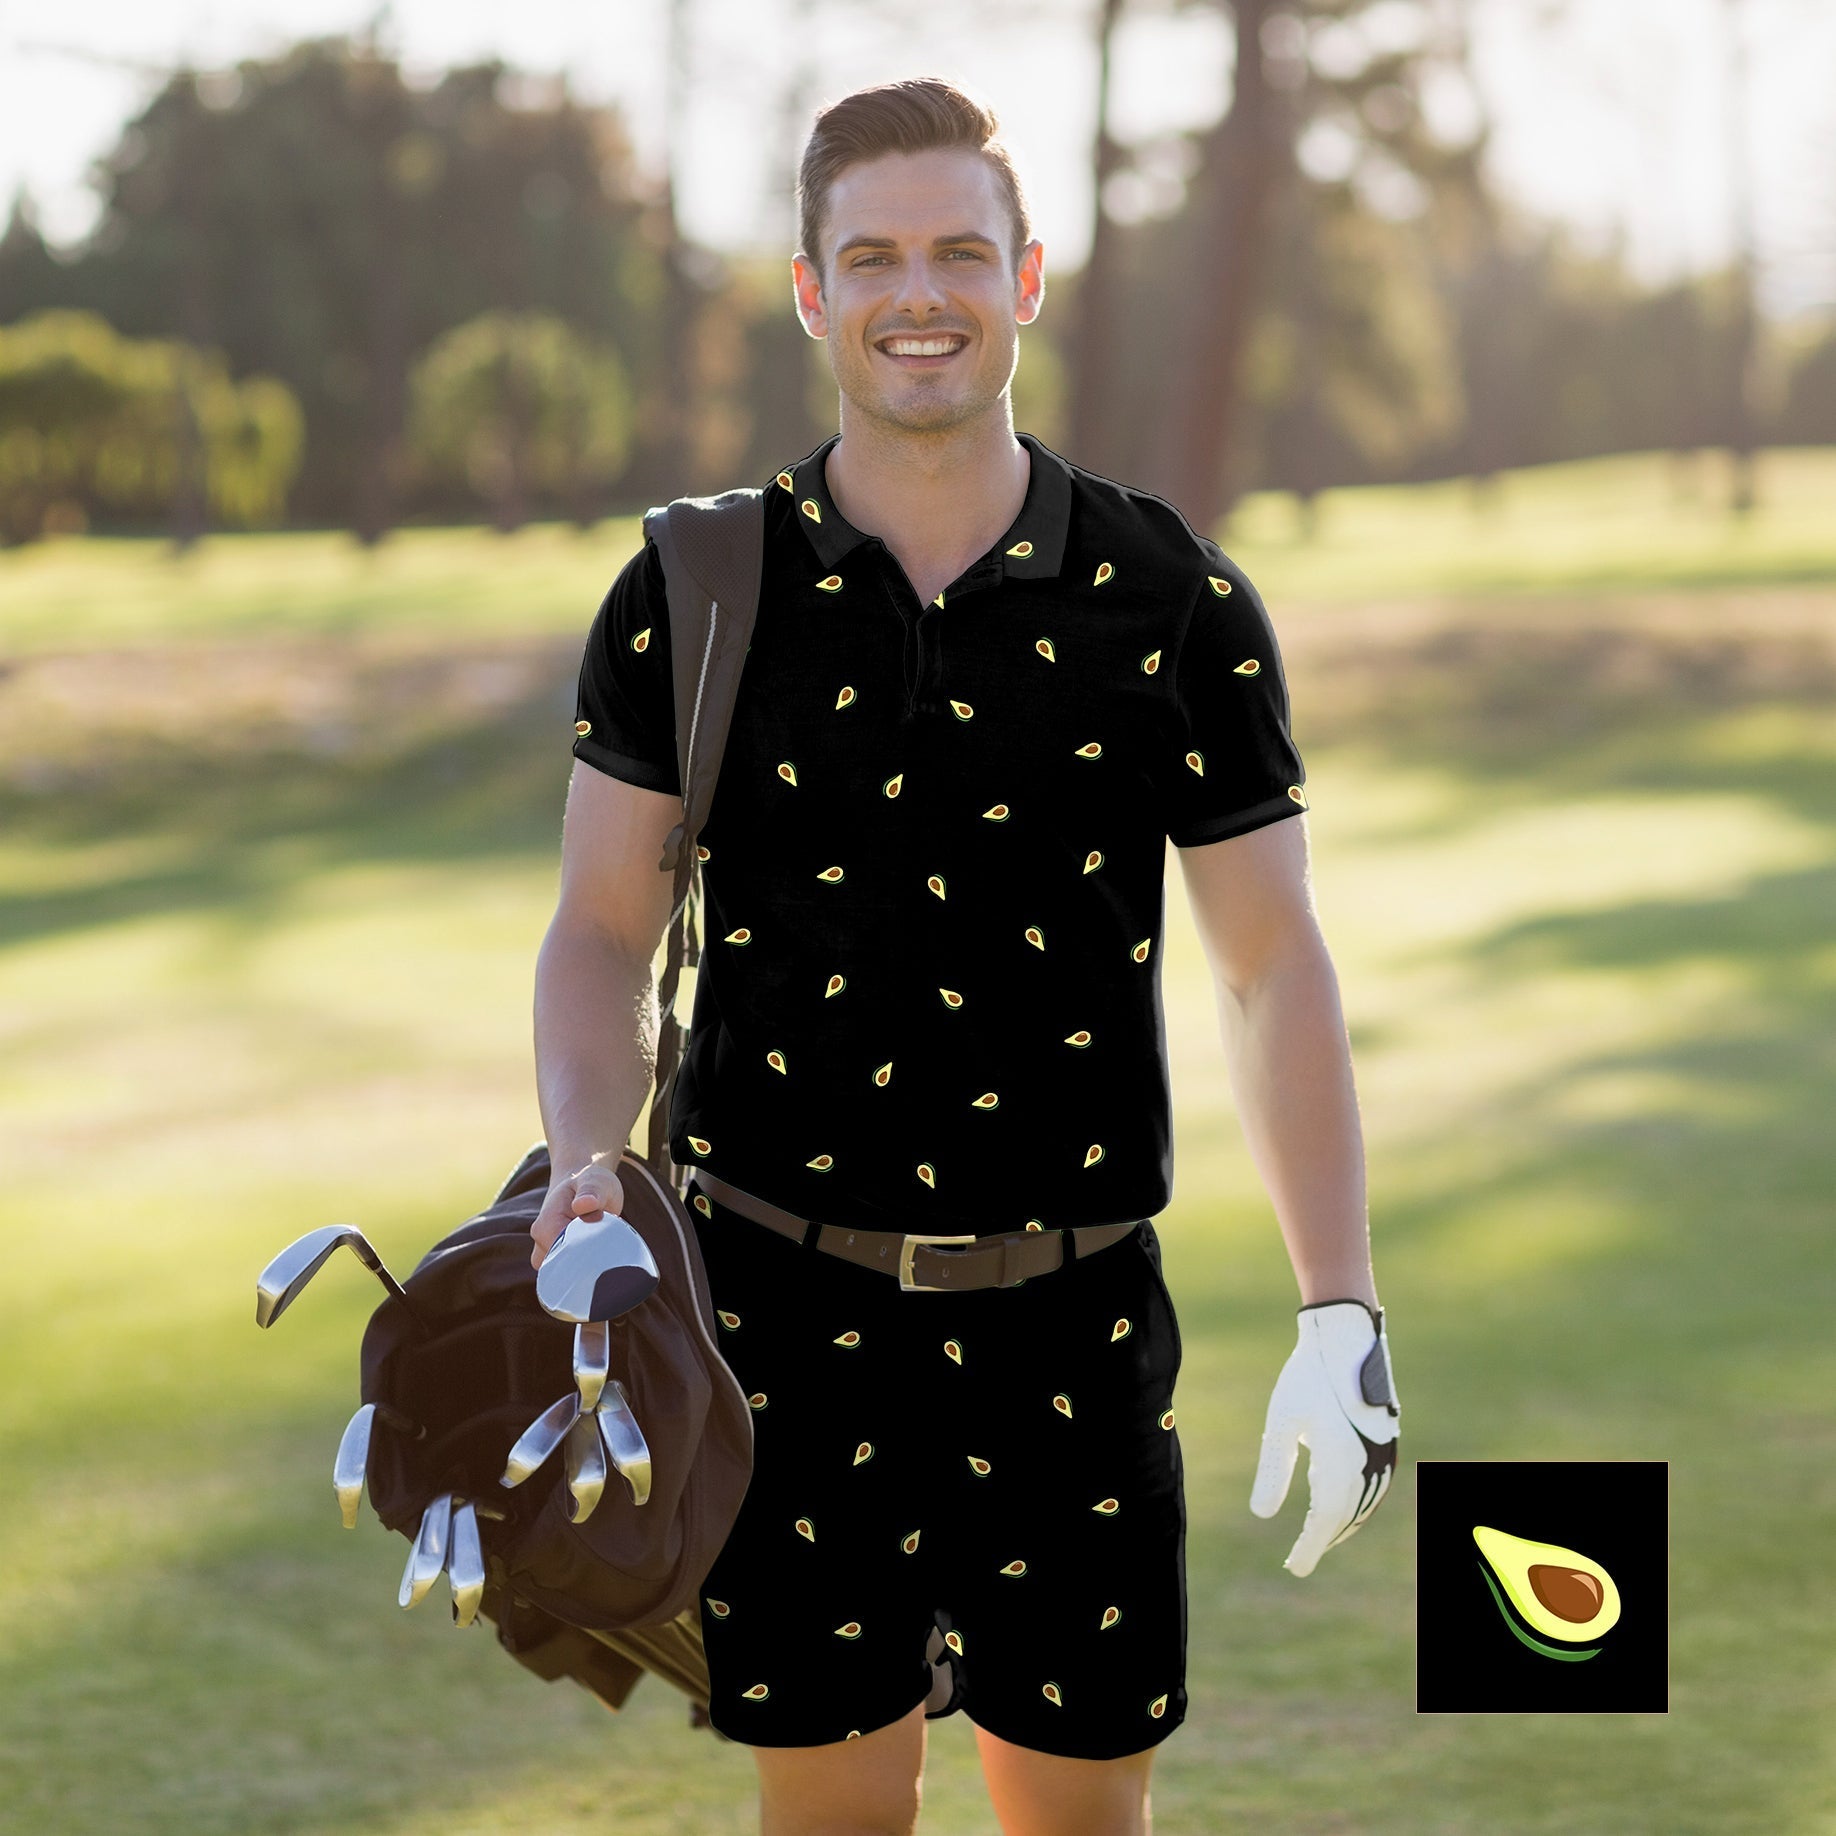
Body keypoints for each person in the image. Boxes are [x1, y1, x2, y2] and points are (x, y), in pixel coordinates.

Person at [529, 76, 1396, 1836]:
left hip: (1074, 1320)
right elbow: (603, 928)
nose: (917, 292)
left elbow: (1269, 968)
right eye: (873, 258)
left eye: (958, 253)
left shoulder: (1174, 600)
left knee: (1082, 1821)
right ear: (811, 291)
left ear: (1028, 277)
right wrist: (581, 1161)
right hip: (774, 1326)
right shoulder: (691, 591)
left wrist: (1341, 1307)